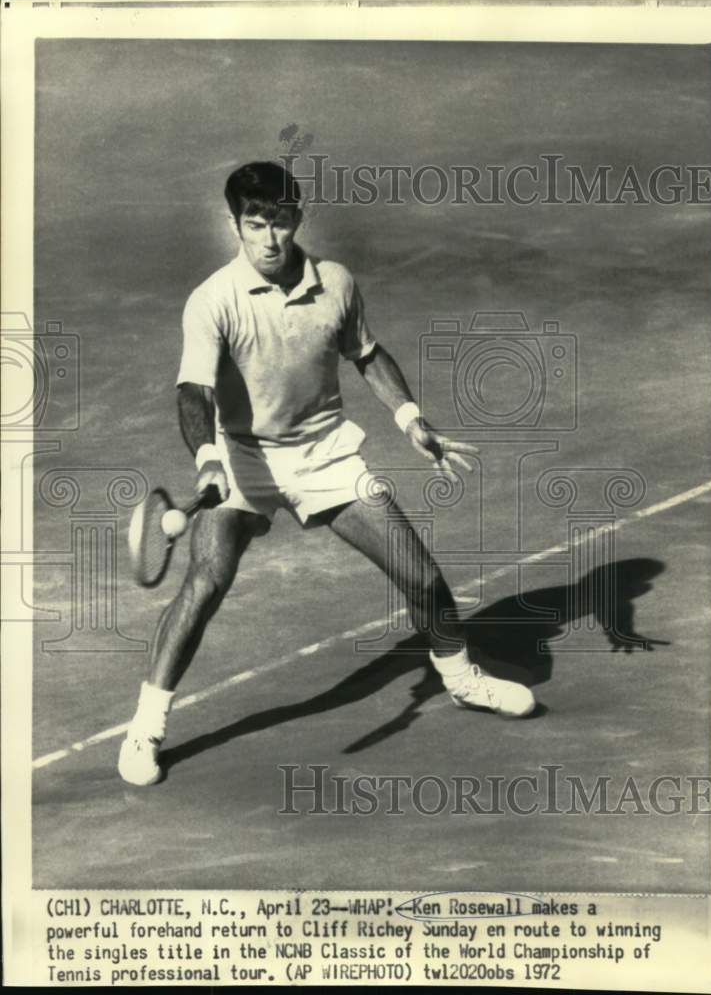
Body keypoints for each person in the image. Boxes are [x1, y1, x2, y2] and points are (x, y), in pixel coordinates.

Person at [118, 161, 536, 786]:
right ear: (235, 224)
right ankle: (146, 726)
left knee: (421, 576)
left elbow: (366, 353)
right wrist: (208, 461)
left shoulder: (335, 283)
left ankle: (460, 678)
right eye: (254, 223)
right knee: (205, 584)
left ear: (298, 219)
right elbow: (193, 392)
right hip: (241, 456)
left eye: (280, 221)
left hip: (327, 456)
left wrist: (410, 418)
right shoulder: (213, 300)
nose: (268, 238)